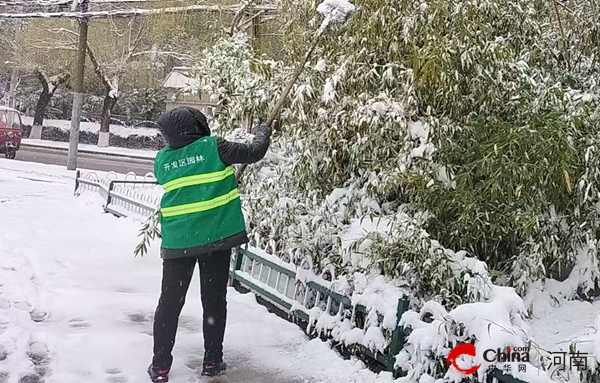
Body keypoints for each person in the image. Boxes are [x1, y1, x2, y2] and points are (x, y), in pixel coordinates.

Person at [148, 107, 271, 382]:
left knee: (169, 304)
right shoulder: (215, 147)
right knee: (214, 302)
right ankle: (212, 362)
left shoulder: (162, 160)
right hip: (215, 239)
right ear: (196, 126)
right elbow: (253, 152)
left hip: (178, 243)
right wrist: (264, 131)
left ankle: (160, 366)